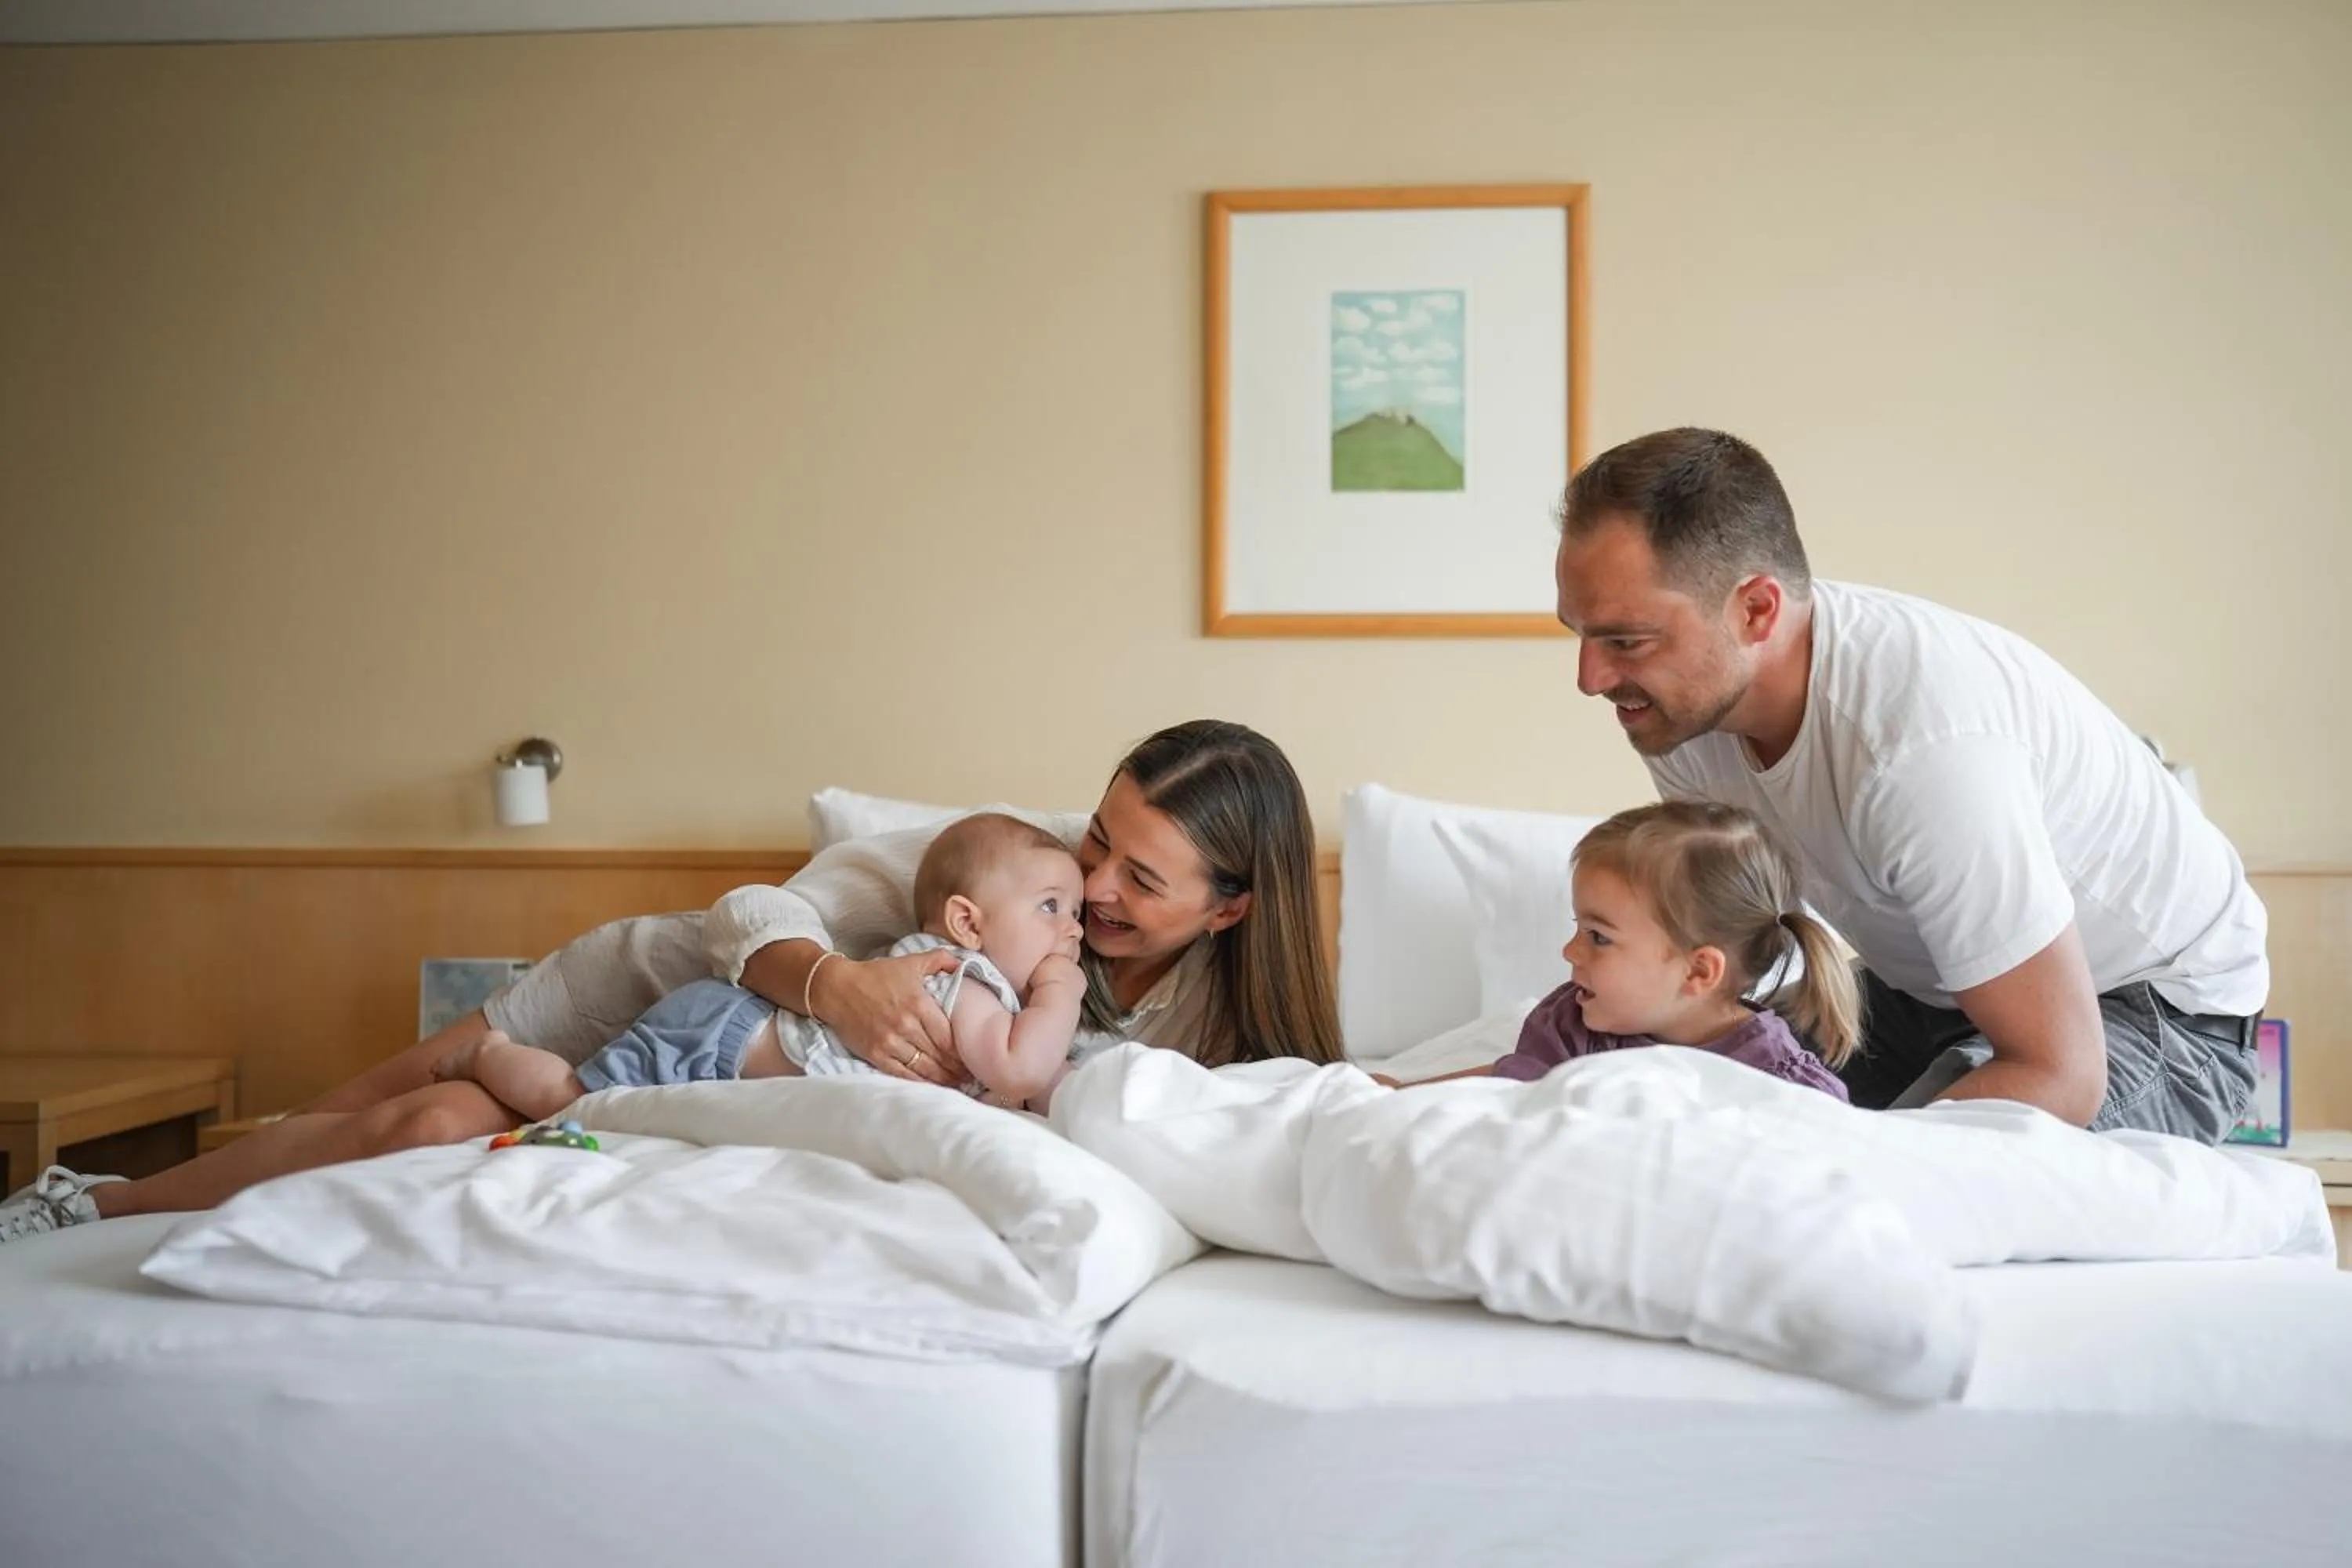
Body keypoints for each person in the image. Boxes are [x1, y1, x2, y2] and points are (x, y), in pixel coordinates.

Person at [0, 720, 1344, 1243]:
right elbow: (745, 915)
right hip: (633, 993)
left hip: (697, 1069)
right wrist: (835, 985)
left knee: (424, 1127)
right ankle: (98, 1202)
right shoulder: (1002, 872)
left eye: (1141, 878)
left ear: (1233, 908)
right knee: (382, 1101)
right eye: (1100, 838)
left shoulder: (1203, 1013)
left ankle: (100, 1207)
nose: (1098, 885)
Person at [1551, 426, 2266, 1141]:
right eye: (1579, 634)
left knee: (1851, 1186)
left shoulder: (1920, 741)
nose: (1591, 679)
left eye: (1626, 641)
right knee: (1663, 1107)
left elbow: (2061, 1071)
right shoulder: (1683, 709)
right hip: (1927, 994)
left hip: (2152, 1019)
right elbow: (1706, 971)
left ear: (1757, 610)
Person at [433, 812, 1093, 1120]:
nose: (1073, 929)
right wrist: (1061, 989)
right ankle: (487, 1055)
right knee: (574, 1105)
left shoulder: (992, 1002)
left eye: (1075, 912)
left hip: (732, 1033)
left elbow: (1046, 1085)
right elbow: (1023, 1068)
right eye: (1051, 908)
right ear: (968, 922)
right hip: (719, 1038)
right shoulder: (957, 977)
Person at [1387, 801, 1853, 1097]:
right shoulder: (1573, 1026)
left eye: (1598, 937)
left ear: (1698, 972)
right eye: (1579, 928)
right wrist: (1400, 1092)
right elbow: (1507, 1090)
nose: (1570, 951)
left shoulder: (1785, 1089)